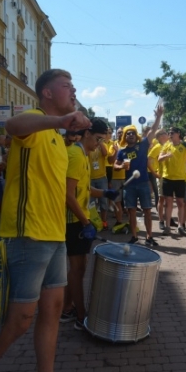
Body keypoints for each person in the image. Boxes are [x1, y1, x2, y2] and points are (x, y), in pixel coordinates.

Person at [0, 69, 91, 372]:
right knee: (21, 319)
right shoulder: (36, 121)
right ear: (47, 93)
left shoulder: (59, 139)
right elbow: (11, 126)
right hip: (25, 236)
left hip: (54, 236)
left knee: (52, 312)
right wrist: (61, 121)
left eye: (74, 86)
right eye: (66, 86)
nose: (73, 90)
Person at [62, 118, 118, 330]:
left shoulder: (83, 154)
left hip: (79, 219)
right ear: (86, 134)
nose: (99, 144)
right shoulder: (76, 155)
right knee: (78, 269)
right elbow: (68, 195)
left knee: (77, 269)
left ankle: (67, 308)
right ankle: (81, 316)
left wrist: (104, 192)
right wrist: (86, 222)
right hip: (73, 221)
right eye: (97, 138)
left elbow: (82, 190)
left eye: (102, 140)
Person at [115, 106, 164, 245]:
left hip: (143, 183)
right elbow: (115, 166)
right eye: (128, 133)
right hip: (129, 185)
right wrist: (121, 166)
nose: (130, 135)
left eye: (132, 133)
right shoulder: (122, 151)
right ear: (124, 136)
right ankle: (135, 236)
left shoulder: (143, 144)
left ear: (136, 134)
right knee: (131, 212)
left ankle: (149, 237)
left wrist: (158, 117)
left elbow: (153, 131)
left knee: (147, 211)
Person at [159, 126, 186, 235]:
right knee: (168, 203)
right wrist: (166, 155)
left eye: (172, 132)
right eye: (169, 132)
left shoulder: (184, 145)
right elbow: (159, 159)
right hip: (167, 178)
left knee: (180, 203)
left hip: (180, 179)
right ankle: (168, 226)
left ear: (178, 133)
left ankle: (180, 226)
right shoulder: (166, 145)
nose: (170, 134)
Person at [148, 129, 169, 230]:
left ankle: (168, 219)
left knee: (169, 199)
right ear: (161, 136)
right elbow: (148, 160)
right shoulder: (157, 147)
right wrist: (154, 173)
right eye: (165, 133)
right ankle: (161, 220)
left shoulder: (170, 145)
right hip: (161, 176)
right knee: (161, 198)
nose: (168, 135)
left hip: (171, 176)